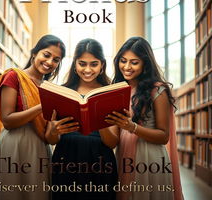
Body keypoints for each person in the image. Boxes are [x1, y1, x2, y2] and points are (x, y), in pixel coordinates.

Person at [0, 34, 79, 200]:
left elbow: (51, 137)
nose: (50, 62)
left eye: (56, 60)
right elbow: (7, 121)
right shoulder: (14, 76)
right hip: (14, 145)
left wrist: (55, 130)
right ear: (35, 53)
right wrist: (41, 106)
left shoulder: (51, 89)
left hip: (39, 148)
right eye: (46, 54)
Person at [105, 37, 183, 200]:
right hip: (124, 155)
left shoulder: (157, 90)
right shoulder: (119, 90)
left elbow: (163, 136)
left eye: (134, 62)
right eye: (123, 61)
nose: (126, 67)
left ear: (145, 64)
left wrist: (132, 127)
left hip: (149, 157)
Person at [51, 38, 119, 200]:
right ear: (75, 64)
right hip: (65, 158)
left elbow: (112, 142)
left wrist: (98, 118)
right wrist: (54, 130)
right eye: (82, 63)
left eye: (94, 64)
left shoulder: (112, 92)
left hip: (100, 160)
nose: (87, 69)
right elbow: (50, 139)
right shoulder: (61, 91)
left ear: (102, 65)